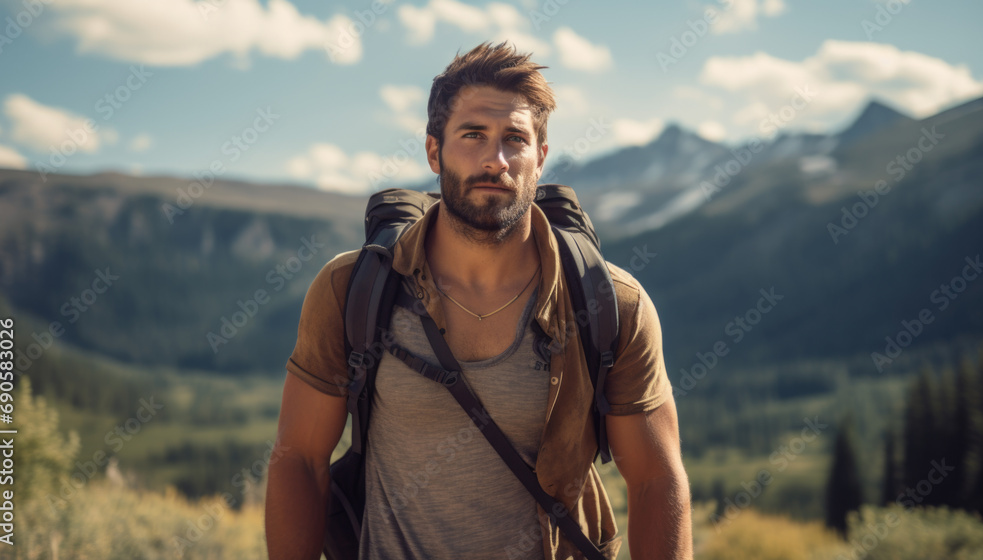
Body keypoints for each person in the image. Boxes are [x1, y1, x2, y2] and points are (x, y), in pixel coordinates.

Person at [265, 41, 692, 560]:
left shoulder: (609, 303)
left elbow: (655, 479)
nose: (496, 160)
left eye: (515, 139)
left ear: (541, 157)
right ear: (433, 150)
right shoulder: (353, 288)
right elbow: (299, 460)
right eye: (473, 135)